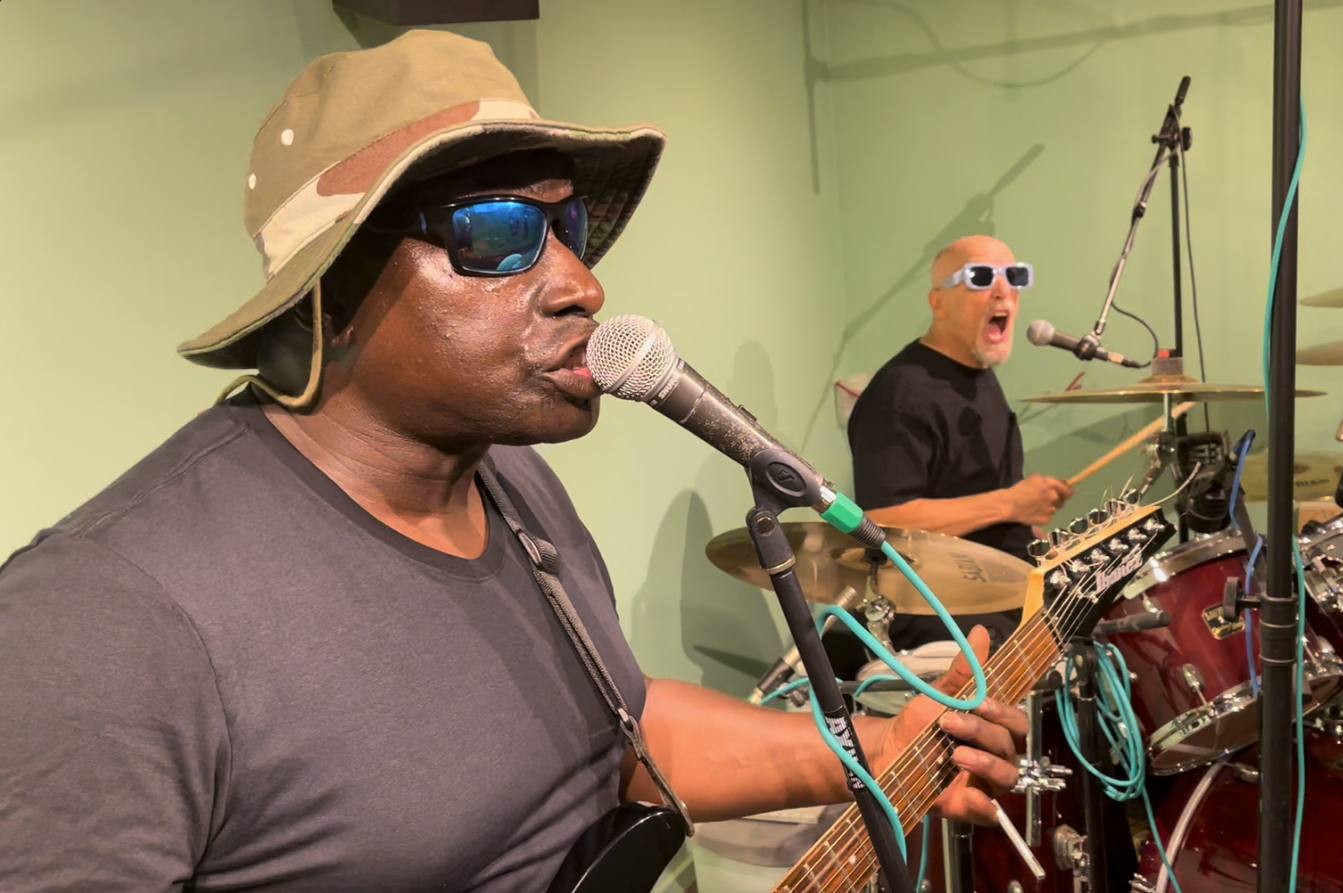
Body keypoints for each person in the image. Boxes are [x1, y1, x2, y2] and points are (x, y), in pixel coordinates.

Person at [0, 32, 1027, 892]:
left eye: (568, 226)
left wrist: (877, 750)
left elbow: (613, 732)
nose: (583, 284)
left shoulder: (511, 480)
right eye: (498, 233)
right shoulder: (107, 622)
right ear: (333, 288)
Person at [832, 236, 1074, 674]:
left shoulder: (979, 374)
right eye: (980, 277)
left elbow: (969, 490)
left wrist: (1026, 523)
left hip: (994, 584)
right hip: (934, 607)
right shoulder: (901, 393)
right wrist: (1009, 504)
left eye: (1014, 276)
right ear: (937, 303)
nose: (1002, 291)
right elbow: (882, 521)